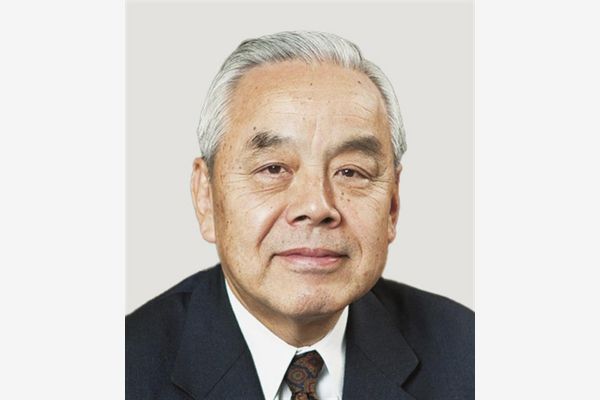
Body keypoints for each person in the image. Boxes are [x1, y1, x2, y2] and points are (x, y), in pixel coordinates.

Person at [126, 31, 474, 400]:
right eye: (273, 168)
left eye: (351, 171)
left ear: (392, 203)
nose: (316, 207)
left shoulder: (471, 356)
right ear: (206, 197)